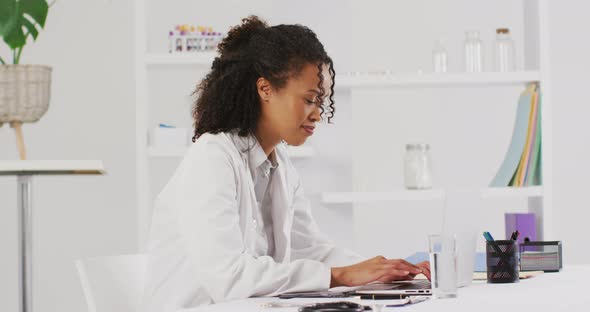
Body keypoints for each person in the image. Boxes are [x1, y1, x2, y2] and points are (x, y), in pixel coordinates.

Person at [141, 16, 430, 312]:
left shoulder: (280, 167)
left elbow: (310, 250)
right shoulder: (212, 158)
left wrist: (381, 272)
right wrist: (339, 275)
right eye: (309, 99)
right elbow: (227, 278)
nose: (318, 114)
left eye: (322, 102)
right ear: (265, 89)